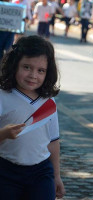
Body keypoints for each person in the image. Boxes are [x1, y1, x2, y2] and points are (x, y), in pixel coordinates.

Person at [0, 35, 65, 199]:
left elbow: (53, 141)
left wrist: (56, 176)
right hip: (6, 171)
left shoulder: (48, 101)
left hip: (41, 173)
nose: (33, 75)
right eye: (26, 67)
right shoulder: (2, 96)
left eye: (40, 70)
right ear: (14, 65)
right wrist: (4, 134)